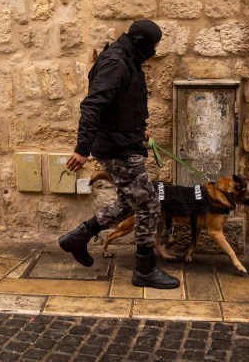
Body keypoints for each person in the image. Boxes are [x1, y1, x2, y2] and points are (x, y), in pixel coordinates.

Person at [58, 19, 179, 289]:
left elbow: (122, 106)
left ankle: (78, 237)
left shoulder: (128, 60)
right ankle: (144, 270)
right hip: (116, 148)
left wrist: (138, 131)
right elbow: (93, 105)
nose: (155, 50)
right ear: (141, 43)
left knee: (129, 202)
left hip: (123, 141)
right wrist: (82, 148)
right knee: (148, 203)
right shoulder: (117, 62)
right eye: (154, 45)